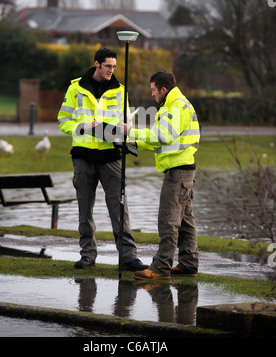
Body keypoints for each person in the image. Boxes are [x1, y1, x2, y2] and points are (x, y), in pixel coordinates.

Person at [57, 47, 147, 272]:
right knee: (84, 209)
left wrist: (126, 131)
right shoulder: (75, 88)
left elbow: (128, 123)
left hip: (111, 156)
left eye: (114, 67)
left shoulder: (121, 91)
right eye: (108, 66)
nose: (112, 70)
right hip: (83, 157)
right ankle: (87, 254)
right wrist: (81, 127)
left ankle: (128, 257)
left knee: (119, 208)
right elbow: (63, 120)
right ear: (96, 64)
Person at [121, 71, 200, 280]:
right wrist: (137, 143)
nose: (152, 93)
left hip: (177, 173)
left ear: (163, 90)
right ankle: (189, 264)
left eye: (154, 89)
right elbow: (162, 140)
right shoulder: (176, 104)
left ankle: (160, 267)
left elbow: (163, 136)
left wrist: (132, 131)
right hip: (184, 171)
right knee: (185, 222)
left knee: (168, 221)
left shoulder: (175, 107)